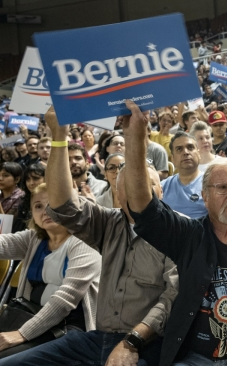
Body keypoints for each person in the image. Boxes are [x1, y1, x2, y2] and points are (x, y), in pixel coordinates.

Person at [6, 106, 179, 366]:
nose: (135, 194)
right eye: (125, 188)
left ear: (161, 191)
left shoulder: (179, 230)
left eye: (145, 186)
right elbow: (63, 205)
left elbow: (171, 298)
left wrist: (132, 341)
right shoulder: (108, 221)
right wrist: (59, 136)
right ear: (116, 195)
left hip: (147, 344)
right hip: (96, 339)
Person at [122, 100, 227, 366]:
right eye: (223, 188)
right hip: (192, 358)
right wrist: (135, 138)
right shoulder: (188, 234)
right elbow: (144, 208)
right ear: (205, 197)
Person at [0, 183, 101, 360]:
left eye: (53, 204)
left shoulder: (85, 241)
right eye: (38, 206)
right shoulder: (34, 238)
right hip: (31, 316)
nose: (46, 211)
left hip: (71, 328)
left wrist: (21, 334)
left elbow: (64, 300)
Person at [161, 132, 208, 219]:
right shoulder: (163, 187)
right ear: (173, 159)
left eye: (190, 147)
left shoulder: (211, 184)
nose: (186, 152)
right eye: (179, 149)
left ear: (199, 154)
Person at [12, 163, 46, 234]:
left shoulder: (55, 201)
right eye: (28, 179)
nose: (31, 183)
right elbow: (17, 229)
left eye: (36, 178)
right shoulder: (24, 202)